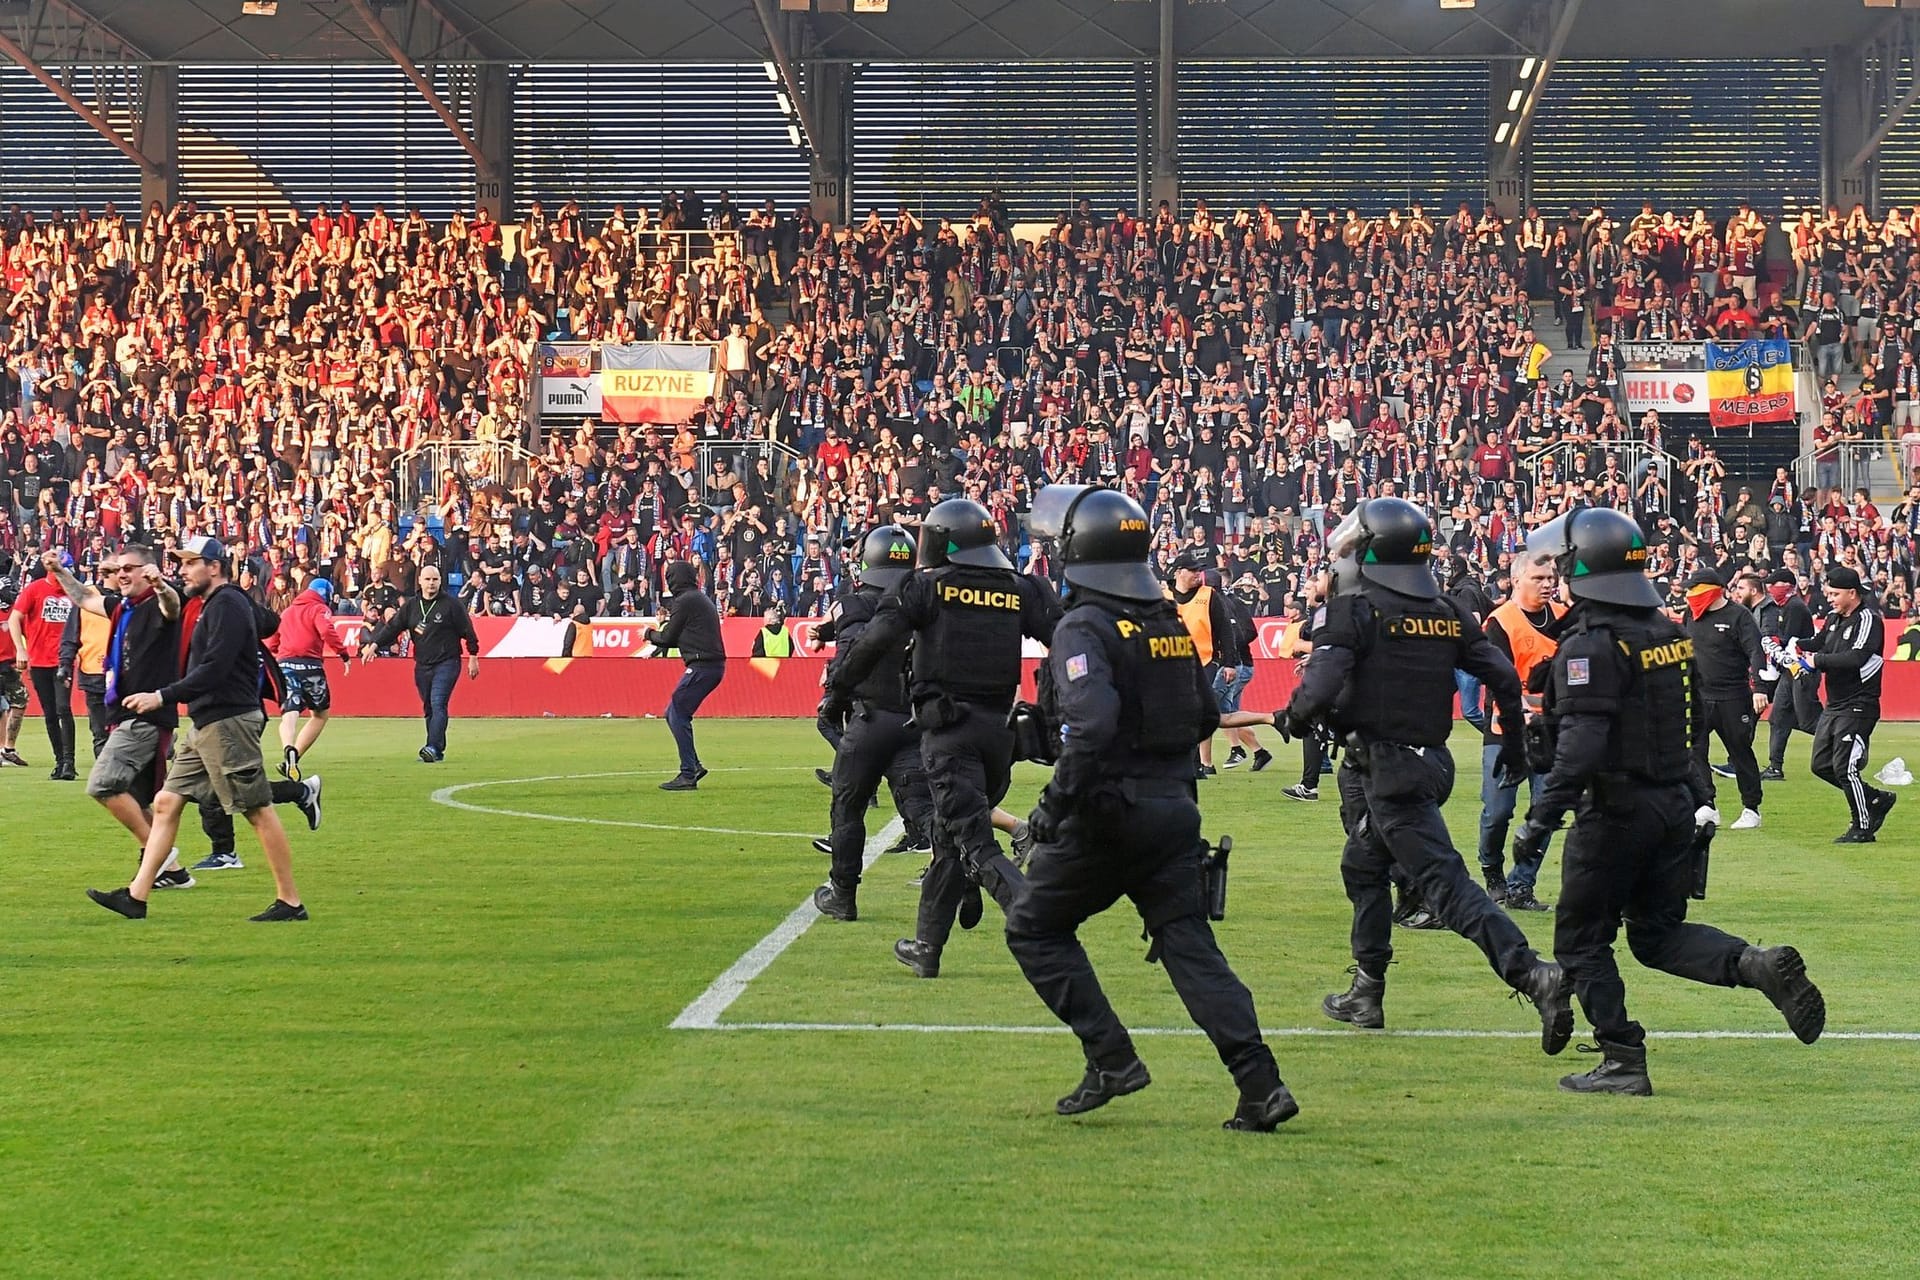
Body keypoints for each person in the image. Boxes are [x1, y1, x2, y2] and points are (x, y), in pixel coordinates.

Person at [1004, 484, 1298, 1131]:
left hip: (1109, 815)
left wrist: (1054, 805)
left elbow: (1093, 726)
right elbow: (1201, 713)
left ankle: (1111, 1056)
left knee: (1034, 926)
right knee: (1190, 948)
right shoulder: (1165, 620)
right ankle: (1260, 1083)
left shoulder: (1085, 624)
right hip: (1173, 812)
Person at [1514, 508, 1825, 1094]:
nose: (1556, 573)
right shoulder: (1667, 633)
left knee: (1581, 940)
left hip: (1615, 810)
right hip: (1674, 805)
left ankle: (1623, 1059)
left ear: (1587, 568)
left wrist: (1540, 816)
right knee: (1655, 935)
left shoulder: (1593, 643)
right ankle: (1753, 963)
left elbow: (1581, 744)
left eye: (1563, 563)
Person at [1277, 498, 1570, 1047]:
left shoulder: (1352, 610)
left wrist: (1292, 717)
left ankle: (1533, 974)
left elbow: (1318, 688)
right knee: (1362, 868)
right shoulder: (1443, 608)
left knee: (1445, 887)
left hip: (1387, 769)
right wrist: (1511, 744)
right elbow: (1504, 676)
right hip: (1430, 762)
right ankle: (1366, 991)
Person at [824, 497, 1060, 978]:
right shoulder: (1021, 588)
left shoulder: (925, 588)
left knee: (974, 841)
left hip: (949, 734)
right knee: (951, 840)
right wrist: (1052, 705)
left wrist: (838, 689)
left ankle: (1039, 921)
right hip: (1000, 734)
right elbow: (1068, 637)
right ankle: (926, 948)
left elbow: (874, 642)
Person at [53, 547, 318, 883]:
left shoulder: (198, 603)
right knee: (175, 800)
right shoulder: (125, 608)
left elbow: (188, 628)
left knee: (252, 808)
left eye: (127, 569)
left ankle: (285, 895)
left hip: (186, 715)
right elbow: (83, 598)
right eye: (115, 570)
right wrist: (60, 573)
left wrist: (162, 695)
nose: (119, 575)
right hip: (192, 716)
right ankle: (147, 888)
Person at [809, 526, 937, 922]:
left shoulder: (853, 605)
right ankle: (960, 870)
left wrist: (833, 697)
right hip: (912, 720)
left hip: (869, 719)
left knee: (848, 807)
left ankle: (843, 895)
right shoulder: (925, 604)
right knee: (921, 807)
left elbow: (851, 655)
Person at [1476, 548, 1564, 911]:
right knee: (1498, 811)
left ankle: (1520, 886)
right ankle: (1492, 869)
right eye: (1538, 578)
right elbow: (1501, 680)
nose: (1547, 584)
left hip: (1552, 731)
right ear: (1516, 580)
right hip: (1507, 730)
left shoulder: (1564, 617)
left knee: (1545, 811)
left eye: (1551, 578)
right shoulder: (1500, 622)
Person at [1785, 565, 1896, 842]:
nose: (1830, 598)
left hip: (1859, 703)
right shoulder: (1834, 618)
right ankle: (1875, 798)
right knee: (1821, 765)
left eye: (1834, 593)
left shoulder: (1868, 619)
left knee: (1846, 767)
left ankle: (1862, 827)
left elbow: (1856, 657)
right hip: (1834, 704)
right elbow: (1819, 643)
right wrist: (1794, 645)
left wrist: (1816, 661)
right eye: (1828, 592)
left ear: (1852, 592)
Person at [359, 564, 481, 764]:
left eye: (435, 579)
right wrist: (374, 644)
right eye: (427, 579)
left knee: (438, 702)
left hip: (447, 661)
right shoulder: (412, 605)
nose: (431, 583)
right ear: (420, 581)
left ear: (440, 581)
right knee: (428, 707)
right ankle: (436, 749)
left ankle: (432, 747)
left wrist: (473, 656)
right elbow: (393, 627)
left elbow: (467, 631)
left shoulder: (452, 604)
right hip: (423, 663)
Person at [1682, 568, 1768, 831]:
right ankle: (1706, 804)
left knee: (1739, 751)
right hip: (1698, 696)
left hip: (1733, 696)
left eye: (1693, 591)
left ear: (1711, 591)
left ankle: (1751, 808)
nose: (1688, 596)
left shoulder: (1738, 616)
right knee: (1694, 750)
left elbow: (1755, 651)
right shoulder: (1690, 615)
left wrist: (1759, 688)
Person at [644, 559, 725, 791]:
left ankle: (688, 773)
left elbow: (669, 636)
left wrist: (649, 634)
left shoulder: (685, 601)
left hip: (703, 665)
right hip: (710, 665)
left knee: (677, 712)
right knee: (673, 712)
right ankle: (693, 766)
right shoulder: (698, 598)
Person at [271, 578, 352, 780]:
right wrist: (342, 653)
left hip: (285, 665)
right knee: (320, 715)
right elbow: (326, 630)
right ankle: (295, 755)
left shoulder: (287, 611)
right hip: (311, 666)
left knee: (289, 713)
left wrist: (276, 654)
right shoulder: (319, 609)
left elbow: (273, 640)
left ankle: (288, 747)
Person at [9, 554, 77, 779]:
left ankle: (69, 762)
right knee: (50, 713)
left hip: (62, 659)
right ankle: (60, 761)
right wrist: (20, 648)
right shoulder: (35, 589)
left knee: (63, 709)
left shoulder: (73, 591)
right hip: (38, 660)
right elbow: (14, 618)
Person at [1751, 568, 1821, 779]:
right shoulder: (1785, 607)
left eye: (1774, 584)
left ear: (1787, 586)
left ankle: (1842, 736)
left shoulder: (1795, 607)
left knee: (1807, 720)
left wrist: (1771, 643)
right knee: (1778, 717)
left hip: (1802, 670)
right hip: (1790, 670)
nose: (1771, 589)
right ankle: (1775, 766)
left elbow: (1787, 640)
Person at [1168, 555, 1233, 778]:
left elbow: (1225, 629)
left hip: (1204, 660)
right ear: (1178, 572)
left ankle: (1193, 763)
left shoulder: (1209, 595)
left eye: (1198, 570)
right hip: (1172, 662)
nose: (1198, 574)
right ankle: (1190, 762)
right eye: (1192, 570)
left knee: (1195, 708)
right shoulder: (1163, 596)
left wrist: (1229, 663)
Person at [1216, 574, 1271, 772]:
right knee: (1230, 714)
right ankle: (1259, 752)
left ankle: (1236, 749)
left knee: (1222, 712)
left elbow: (1249, 632)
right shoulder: (1221, 603)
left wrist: (1230, 646)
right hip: (1236, 663)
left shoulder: (1233, 603)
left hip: (1239, 664)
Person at [58, 580, 112, 758]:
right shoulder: (87, 596)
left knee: (134, 731)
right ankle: (106, 781)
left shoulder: (136, 595)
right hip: (93, 673)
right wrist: (65, 664)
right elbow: (71, 636)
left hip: (128, 675)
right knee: (100, 734)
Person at [0, 567, 27, 766]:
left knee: (19, 702)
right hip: (5, 665)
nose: (14, 592)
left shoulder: (16, 612)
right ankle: (6, 749)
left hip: (9, 666)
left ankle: (7, 749)